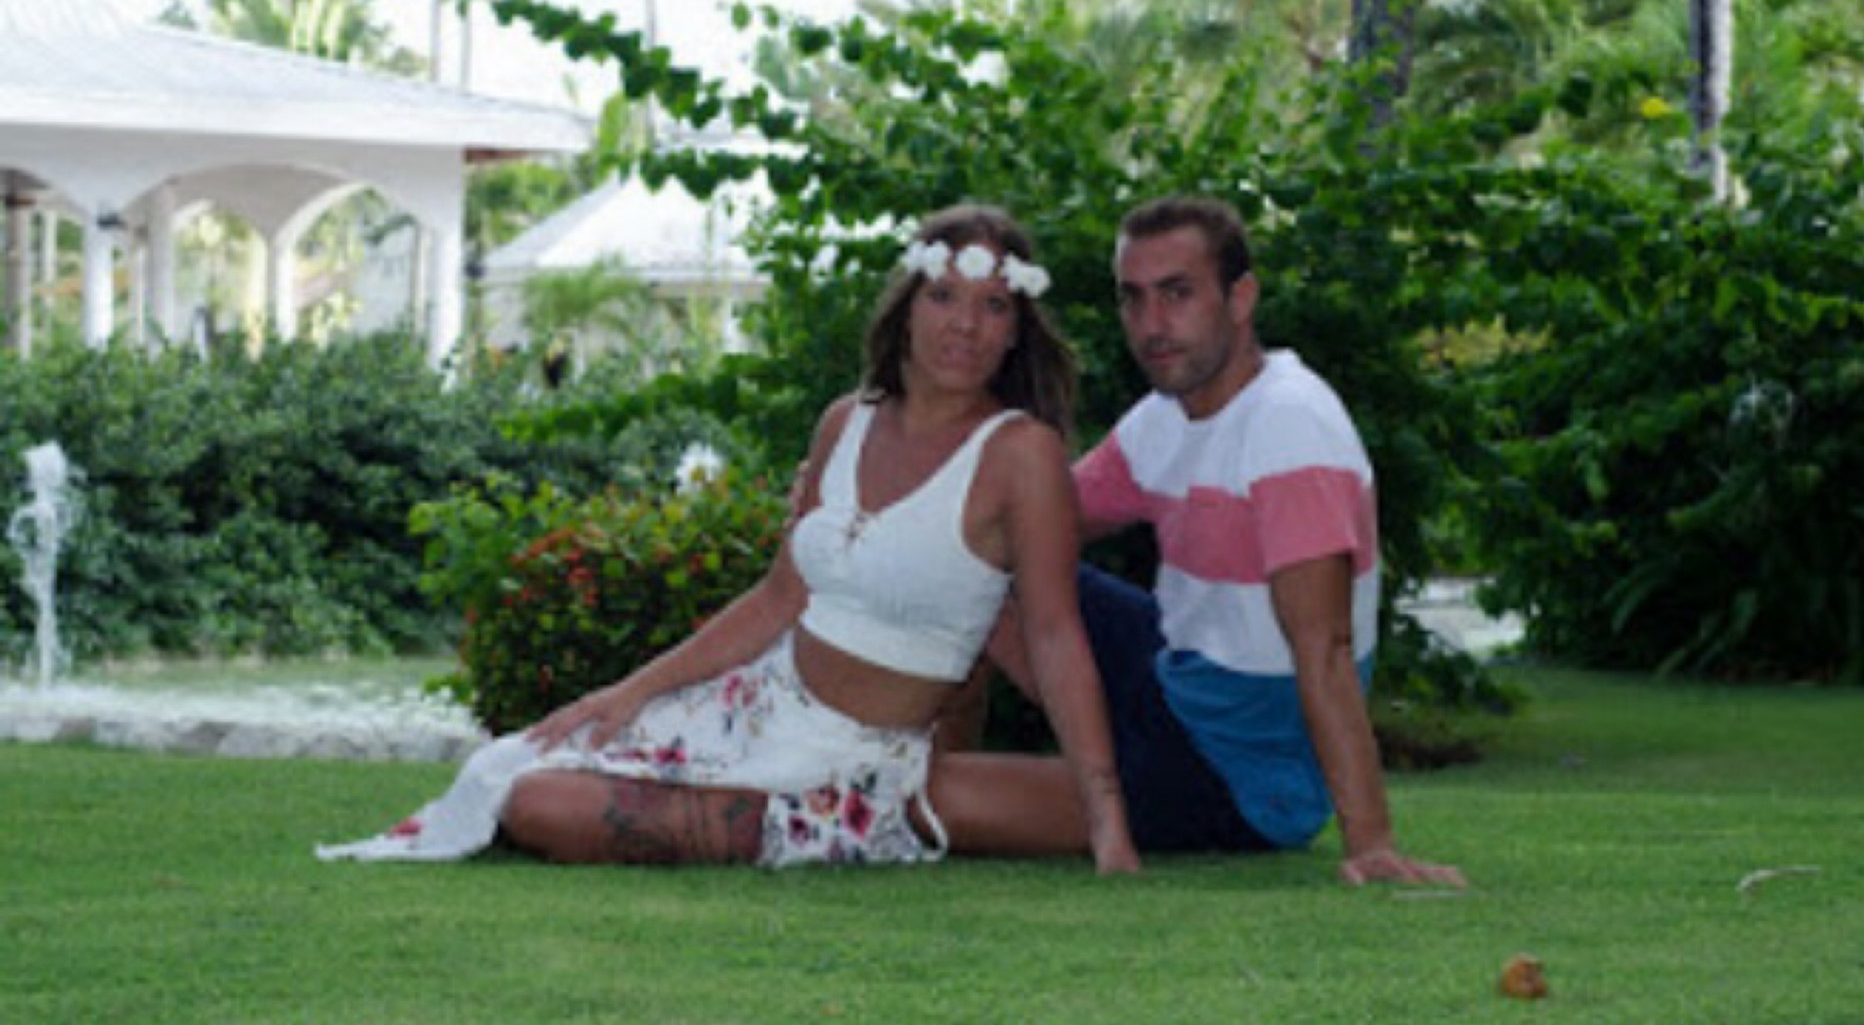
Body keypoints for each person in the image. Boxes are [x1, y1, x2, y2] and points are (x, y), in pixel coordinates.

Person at [319, 204, 1140, 875]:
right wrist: (626, 694)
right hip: (755, 706)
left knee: (545, 808)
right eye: (944, 297)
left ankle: (829, 824)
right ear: (907, 308)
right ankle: (746, 800)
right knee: (516, 764)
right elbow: (781, 597)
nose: (965, 325)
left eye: (994, 306)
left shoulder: (1021, 453)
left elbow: (1052, 632)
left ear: (1015, 331)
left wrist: (1106, 821)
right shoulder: (845, 422)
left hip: (862, 762)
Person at [928, 196, 1465, 887]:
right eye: (1134, 298)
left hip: (1236, 775)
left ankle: (941, 791)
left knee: (931, 797)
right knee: (977, 557)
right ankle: (934, 755)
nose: (1152, 324)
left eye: (1177, 294)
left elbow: (1325, 649)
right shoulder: (1163, 419)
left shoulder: (1289, 425)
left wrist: (1369, 841)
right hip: (1173, 678)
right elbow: (1025, 520)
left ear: (1240, 299)